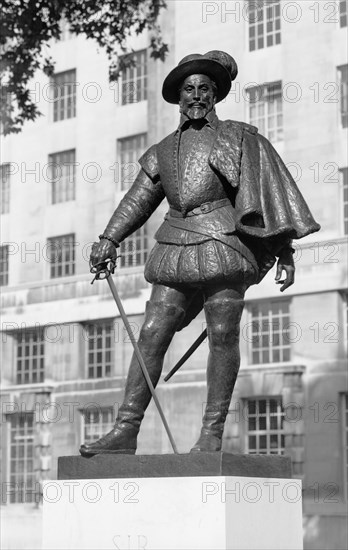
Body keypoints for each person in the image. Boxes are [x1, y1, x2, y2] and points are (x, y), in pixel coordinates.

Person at [80, 51, 320, 456]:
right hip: (174, 244)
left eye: (204, 88)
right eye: (188, 89)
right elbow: (139, 200)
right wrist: (109, 238)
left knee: (224, 335)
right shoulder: (161, 150)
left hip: (224, 243)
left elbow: (267, 195)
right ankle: (126, 429)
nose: (196, 95)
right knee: (152, 334)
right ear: (178, 96)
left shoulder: (239, 138)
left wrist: (284, 249)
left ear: (215, 95)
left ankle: (211, 433)